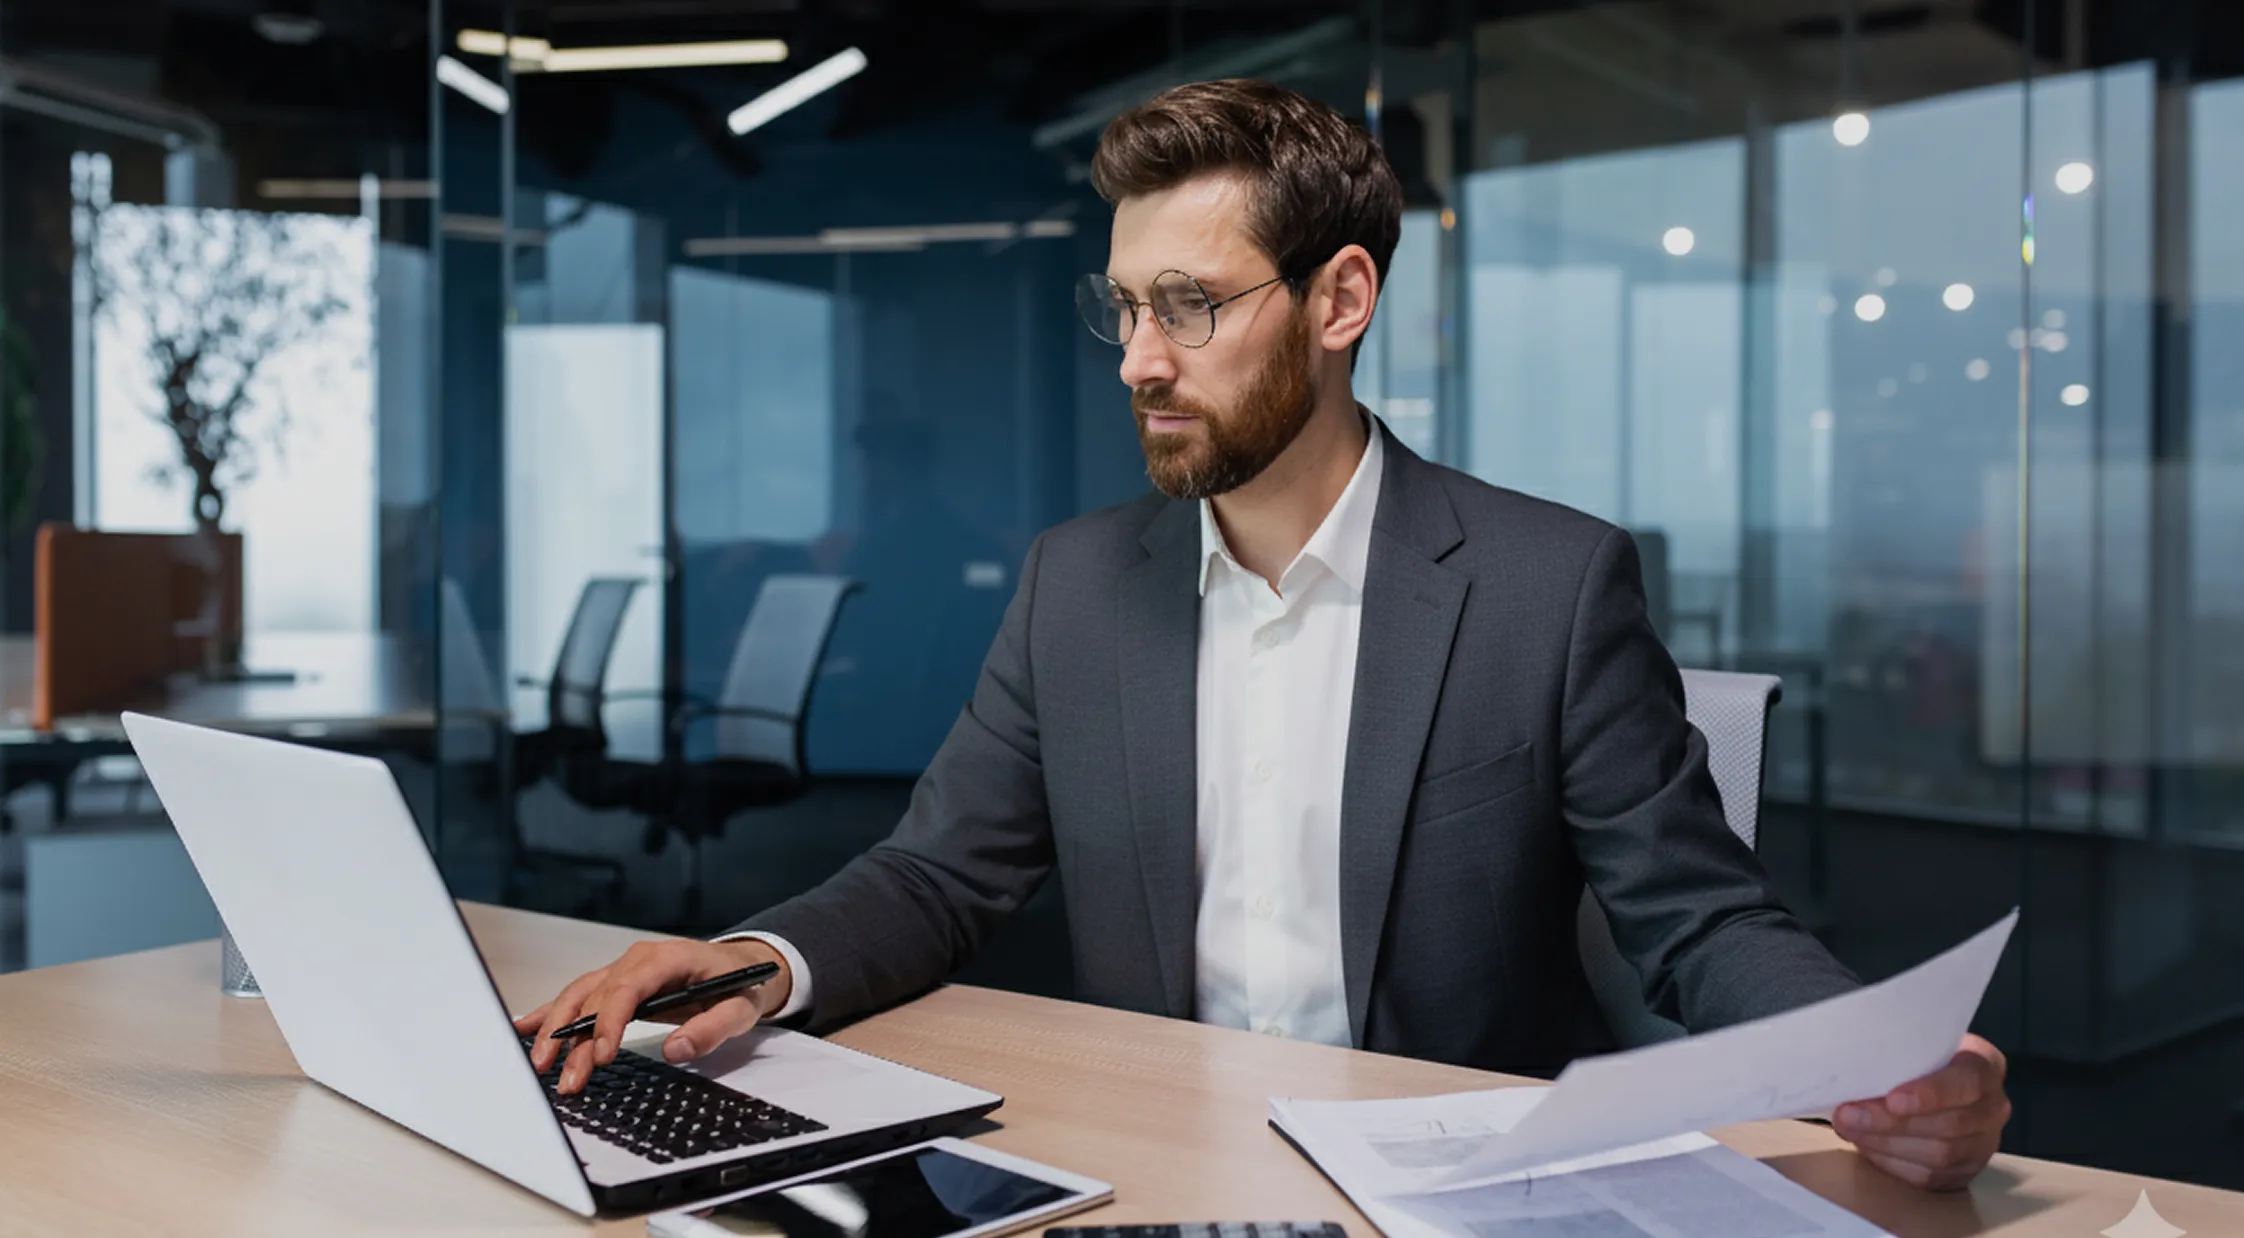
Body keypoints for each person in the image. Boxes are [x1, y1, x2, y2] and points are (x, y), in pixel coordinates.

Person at [516, 78, 2010, 1192]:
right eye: (1123, 310)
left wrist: (1868, 1061)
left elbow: (1699, 918)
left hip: (1456, 1188)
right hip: (1153, 1170)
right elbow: (939, 868)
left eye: (1190, 307)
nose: (1141, 363)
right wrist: (752, 960)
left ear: (1340, 298)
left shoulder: (1551, 587)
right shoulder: (1076, 585)